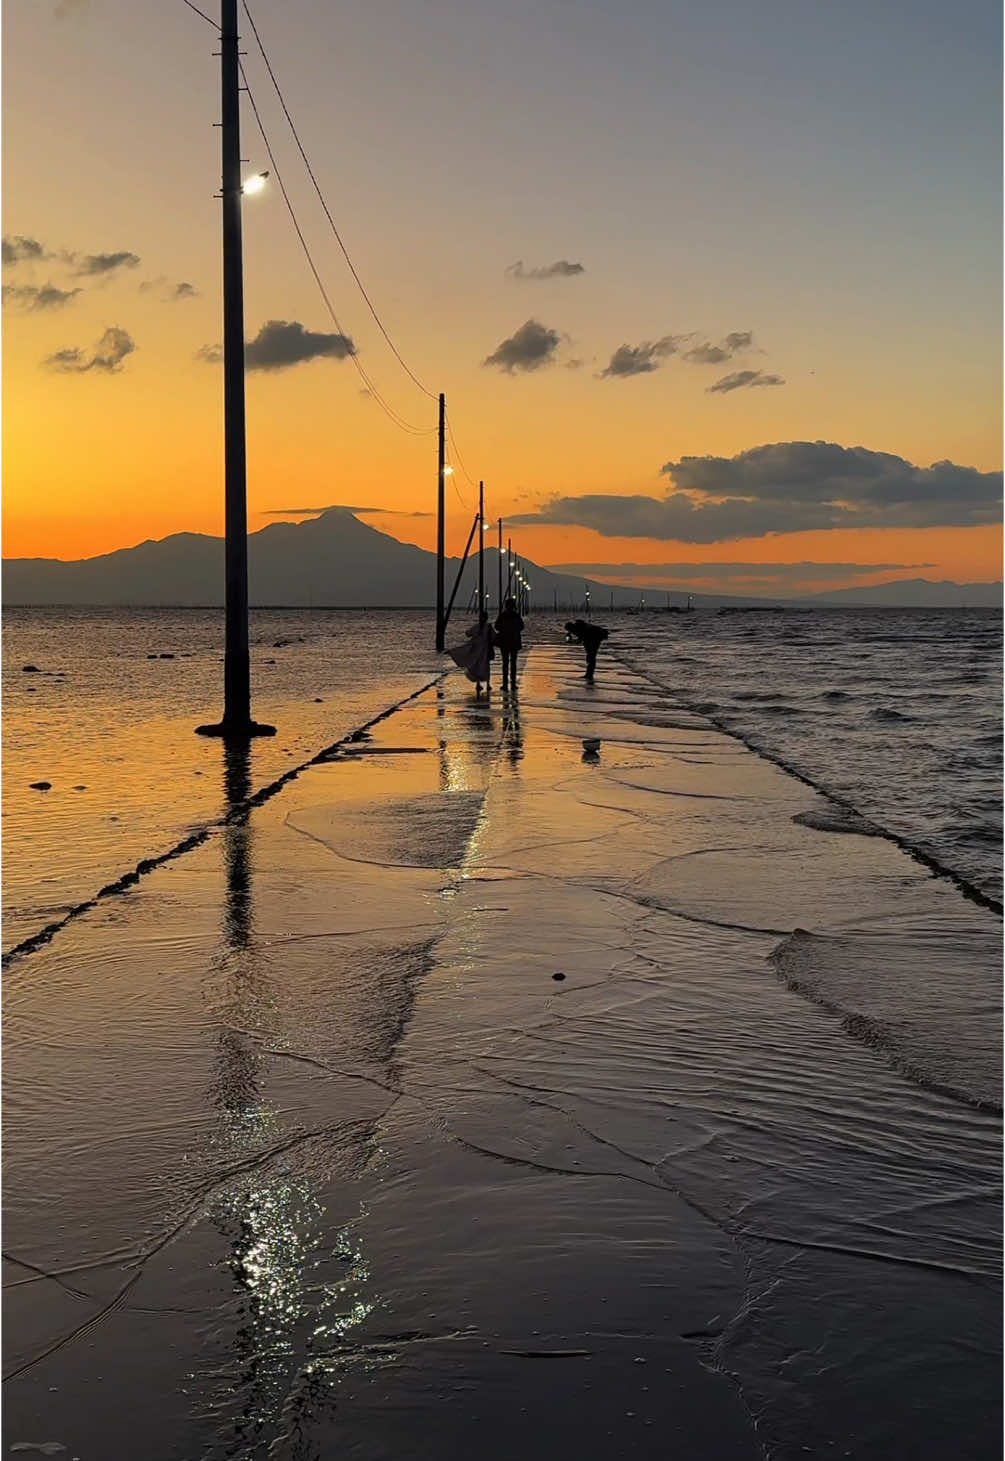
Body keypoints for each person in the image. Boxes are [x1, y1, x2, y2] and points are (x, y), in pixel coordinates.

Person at [447, 612, 494, 695]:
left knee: (476, 666)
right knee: (486, 666)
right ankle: (487, 684)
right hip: (485, 649)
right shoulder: (488, 627)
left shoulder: (477, 627)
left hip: (477, 649)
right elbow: (494, 637)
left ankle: (479, 684)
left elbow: (467, 633)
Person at [493, 595, 525, 691]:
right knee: (513, 663)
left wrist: (504, 629)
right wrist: (514, 630)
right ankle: (513, 682)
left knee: (505, 663)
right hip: (514, 642)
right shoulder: (516, 615)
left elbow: (497, 626)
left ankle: (505, 683)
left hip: (505, 642)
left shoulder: (503, 615)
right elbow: (521, 627)